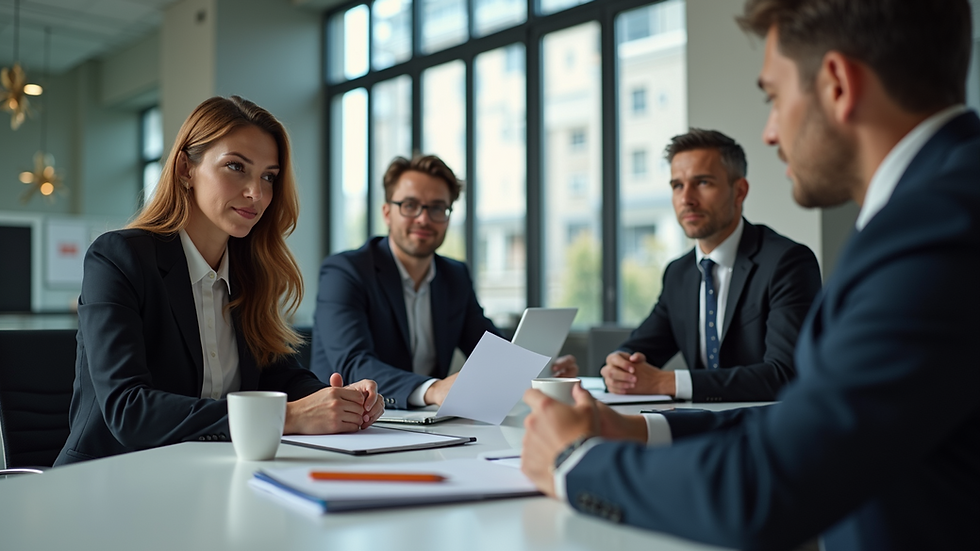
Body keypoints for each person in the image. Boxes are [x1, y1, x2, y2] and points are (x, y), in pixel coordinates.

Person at [520, 0, 979, 549]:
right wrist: (641, 428)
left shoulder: (934, 230)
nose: (768, 131)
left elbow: (768, 484)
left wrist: (575, 465)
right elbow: (810, 425)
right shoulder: (936, 205)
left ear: (836, 84)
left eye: (774, 97)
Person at [55, 96, 384, 466]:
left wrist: (340, 401)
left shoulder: (251, 272)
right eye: (235, 167)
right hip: (107, 479)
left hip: (209, 474)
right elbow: (129, 410)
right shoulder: (118, 258)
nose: (256, 194)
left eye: (268, 177)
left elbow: (281, 376)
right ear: (185, 168)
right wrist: (289, 417)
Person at [310, 155, 577, 410]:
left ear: (448, 215)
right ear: (387, 213)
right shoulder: (345, 271)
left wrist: (542, 371)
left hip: (430, 424)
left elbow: (488, 347)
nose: (424, 218)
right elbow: (352, 364)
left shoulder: (454, 275)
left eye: (437, 207)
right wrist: (432, 389)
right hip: (349, 422)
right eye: (410, 205)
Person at [600, 129, 821, 402]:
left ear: (739, 191)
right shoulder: (678, 274)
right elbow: (639, 349)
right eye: (677, 186)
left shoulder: (786, 262)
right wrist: (618, 366)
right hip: (698, 424)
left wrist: (667, 382)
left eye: (702, 183)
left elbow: (785, 374)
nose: (686, 198)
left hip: (768, 428)